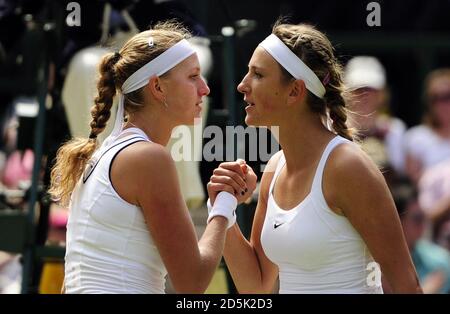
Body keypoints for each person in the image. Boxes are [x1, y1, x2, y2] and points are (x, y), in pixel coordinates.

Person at [207, 21, 422, 293]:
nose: (242, 85)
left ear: (295, 91)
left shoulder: (347, 166)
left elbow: (407, 285)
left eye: (258, 75)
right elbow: (255, 287)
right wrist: (223, 207)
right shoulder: (275, 167)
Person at [48, 21, 241, 294]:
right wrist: (223, 204)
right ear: (158, 88)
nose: (204, 88)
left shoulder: (106, 153)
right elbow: (192, 282)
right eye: (192, 76)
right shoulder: (149, 158)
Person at [344, 56, 407, 185]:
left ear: (382, 94)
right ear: (347, 92)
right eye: (358, 89)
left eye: (371, 89)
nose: (365, 95)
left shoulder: (395, 129)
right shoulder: (331, 126)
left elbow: (400, 174)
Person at [393, 191, 450, 294]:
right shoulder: (375, 263)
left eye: (424, 217)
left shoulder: (441, 261)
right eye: (417, 218)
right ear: (398, 221)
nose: (423, 224)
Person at [404, 68, 450, 184]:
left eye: (447, 96)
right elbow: (416, 183)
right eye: (435, 98)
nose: (442, 104)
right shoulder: (416, 137)